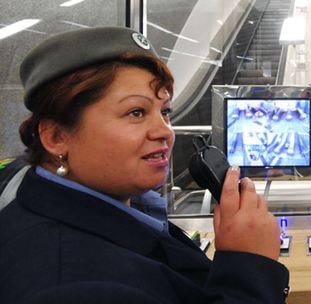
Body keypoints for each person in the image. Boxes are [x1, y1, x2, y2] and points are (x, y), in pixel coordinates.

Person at [0, 27, 289, 303]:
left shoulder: (121, 203)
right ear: (56, 136)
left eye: (165, 112)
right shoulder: (69, 289)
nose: (165, 131)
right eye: (136, 112)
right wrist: (251, 267)